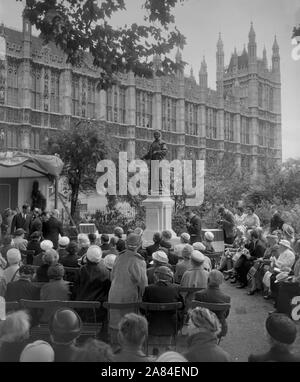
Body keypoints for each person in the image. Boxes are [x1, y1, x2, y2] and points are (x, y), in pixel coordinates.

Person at [108, 233, 148, 343]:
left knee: (116, 325)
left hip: (114, 294)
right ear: (140, 245)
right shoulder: (138, 260)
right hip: (129, 296)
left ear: (126, 244)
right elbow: (143, 284)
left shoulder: (119, 257)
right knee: (130, 325)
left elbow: (112, 277)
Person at [142, 266, 184, 338]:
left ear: (156, 276)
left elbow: (142, 309)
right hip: (172, 325)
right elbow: (182, 306)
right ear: (170, 277)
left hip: (152, 324)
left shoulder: (148, 289)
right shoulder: (176, 288)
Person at [194, 270, 231, 337]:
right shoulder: (226, 298)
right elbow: (225, 315)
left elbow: (195, 312)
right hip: (219, 328)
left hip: (201, 326)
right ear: (221, 282)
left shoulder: (198, 294)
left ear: (208, 280)